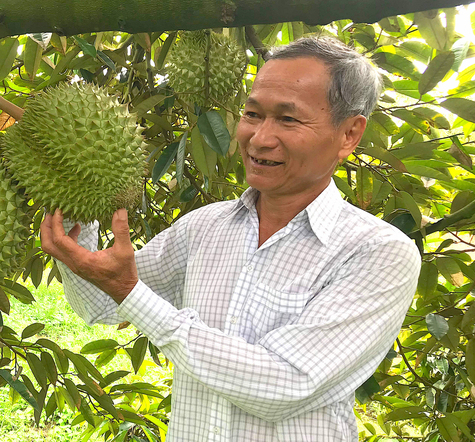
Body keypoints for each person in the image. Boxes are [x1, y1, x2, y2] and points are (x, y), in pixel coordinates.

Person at [40, 36, 421, 442]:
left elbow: (286, 385)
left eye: (288, 120)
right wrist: (78, 234)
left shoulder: (378, 252)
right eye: (253, 114)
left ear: (349, 135)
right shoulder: (204, 227)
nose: (259, 138)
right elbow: (101, 306)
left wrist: (131, 293)